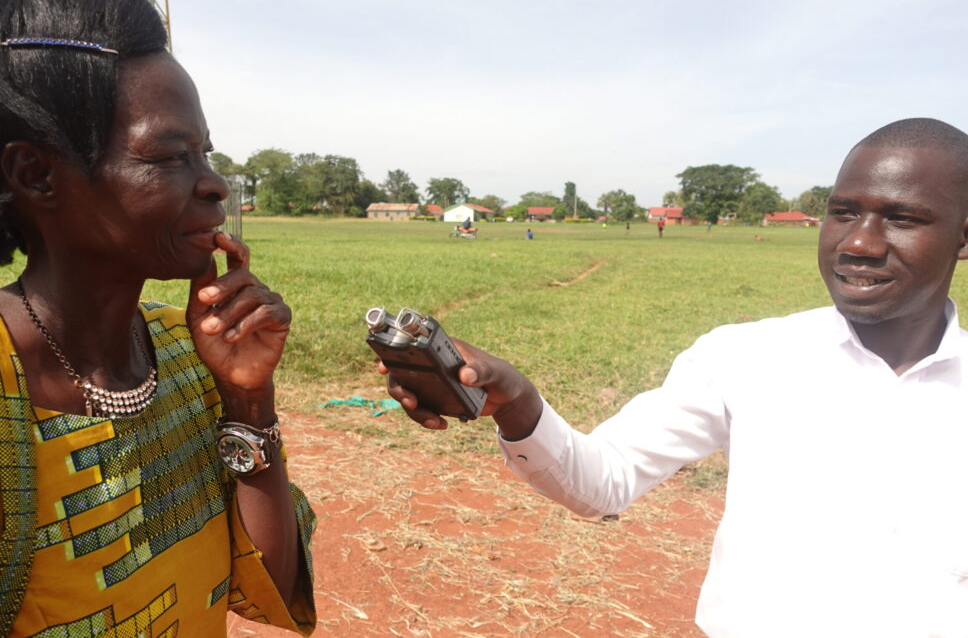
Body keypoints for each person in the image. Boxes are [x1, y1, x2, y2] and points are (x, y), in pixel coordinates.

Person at [385, 118, 968, 637]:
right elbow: (603, 483)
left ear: (962, 237)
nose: (860, 243)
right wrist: (518, 401)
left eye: (902, 219)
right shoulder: (746, 357)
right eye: (843, 212)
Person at [0, 0, 314, 636]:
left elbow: (272, 589)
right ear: (36, 173)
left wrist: (249, 401)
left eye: (206, 153)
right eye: (170, 155)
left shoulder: (188, 355)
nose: (213, 187)